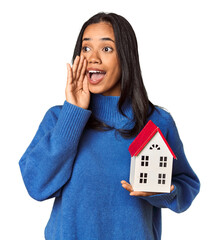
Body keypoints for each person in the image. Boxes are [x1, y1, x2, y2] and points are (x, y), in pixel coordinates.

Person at [19, 12, 200, 240]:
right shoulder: (59, 118)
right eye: (86, 49)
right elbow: (37, 186)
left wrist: (164, 192)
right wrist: (74, 113)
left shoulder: (157, 122)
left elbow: (186, 185)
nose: (93, 57)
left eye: (106, 49)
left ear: (125, 57)